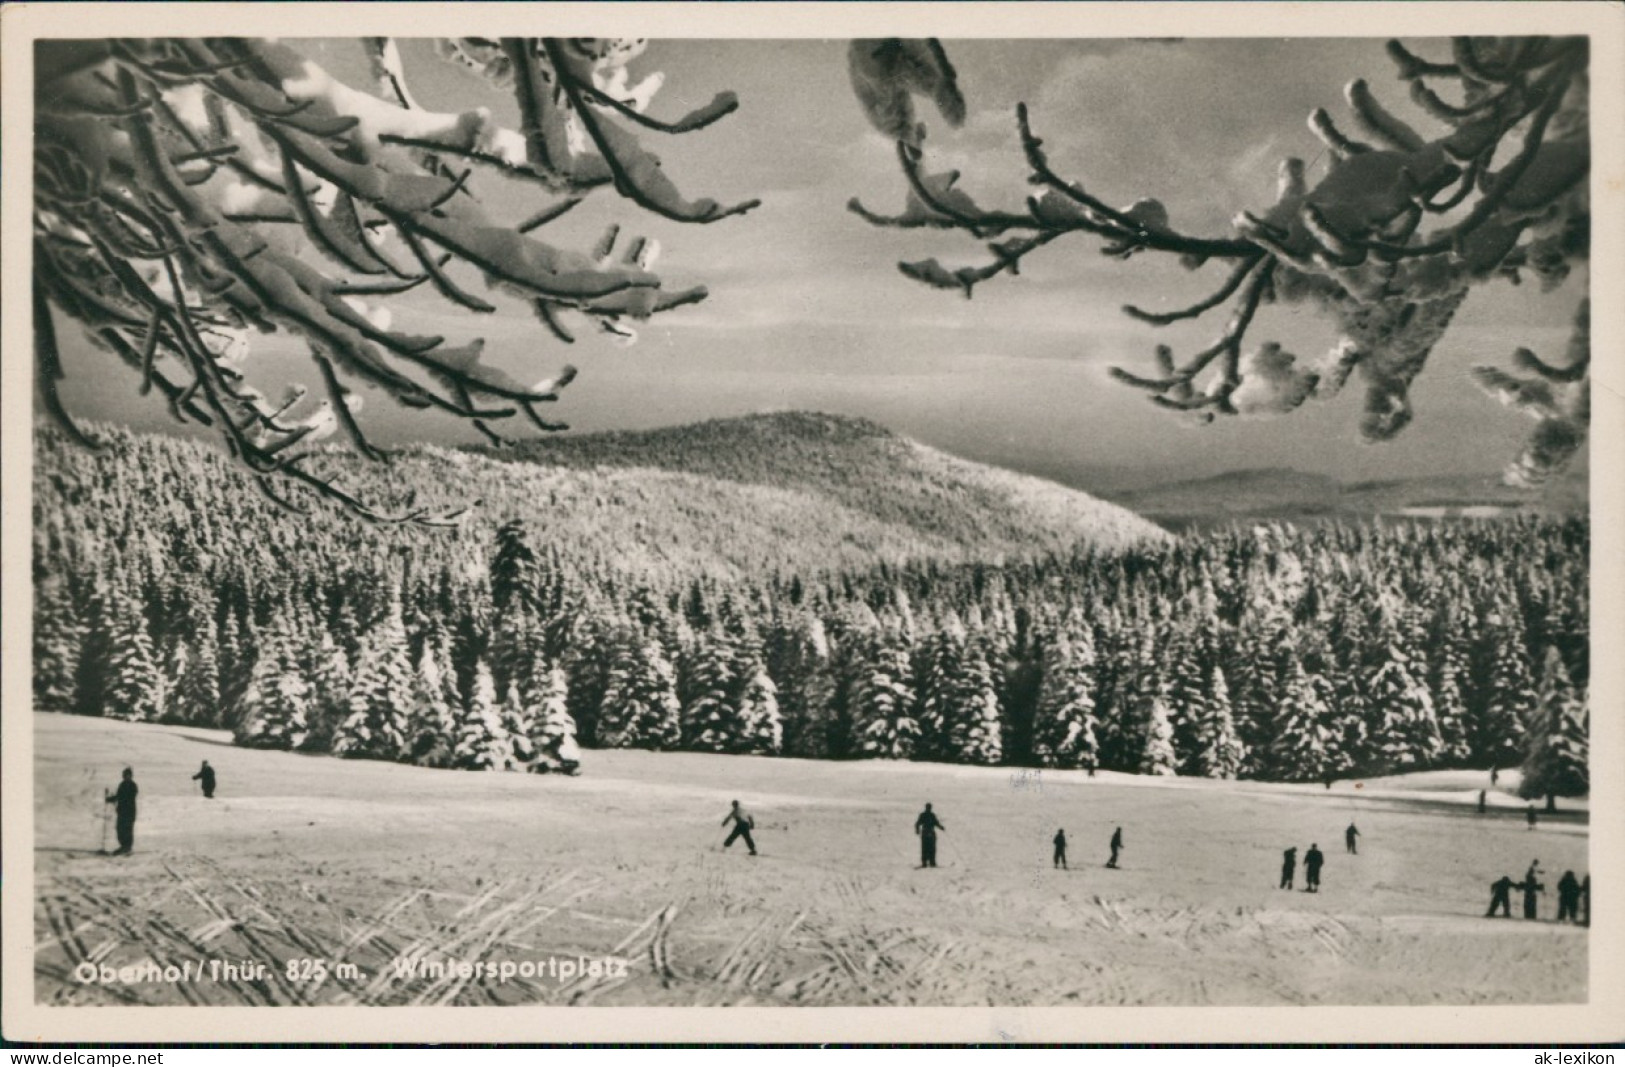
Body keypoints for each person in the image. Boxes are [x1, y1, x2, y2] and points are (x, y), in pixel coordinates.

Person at [105, 768, 138, 856]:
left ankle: (127, 847)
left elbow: (127, 797)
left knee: (127, 830)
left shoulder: (133, 786)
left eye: (128, 775)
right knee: (120, 829)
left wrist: (117, 798)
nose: (126, 777)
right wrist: (110, 799)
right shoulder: (122, 785)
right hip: (122, 812)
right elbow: (119, 796)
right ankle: (123, 846)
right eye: (125, 775)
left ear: (131, 776)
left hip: (129, 812)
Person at [914, 803, 944, 868]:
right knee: (930, 848)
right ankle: (930, 862)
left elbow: (917, 824)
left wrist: (917, 830)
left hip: (926, 833)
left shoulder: (925, 815)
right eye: (929, 807)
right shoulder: (931, 815)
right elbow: (936, 823)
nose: (929, 808)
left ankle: (927, 862)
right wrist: (941, 827)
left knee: (927, 848)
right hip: (929, 833)